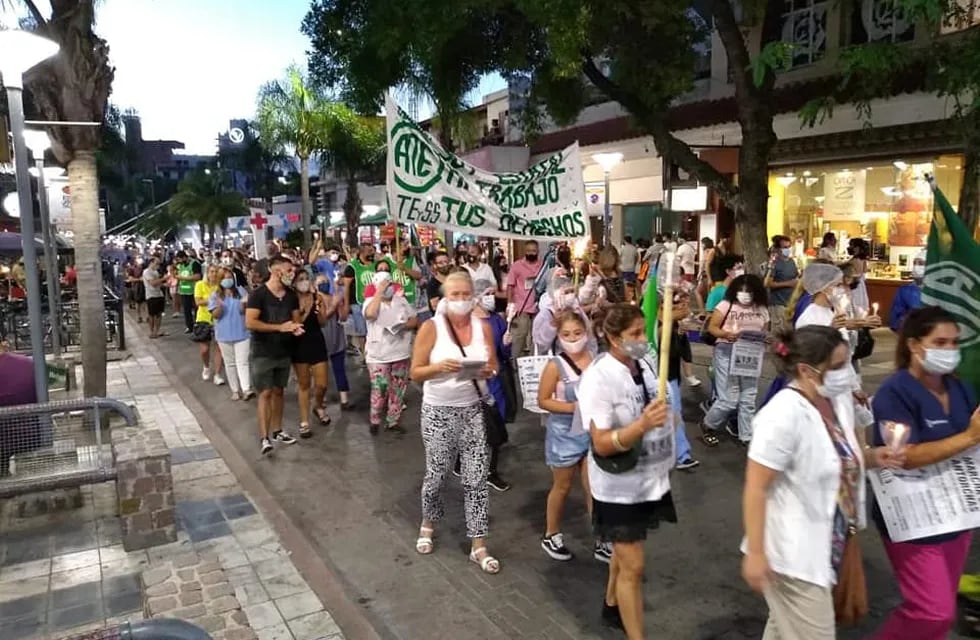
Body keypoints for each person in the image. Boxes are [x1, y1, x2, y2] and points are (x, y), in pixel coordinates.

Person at [742, 325, 904, 639]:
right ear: (806, 370)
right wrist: (757, 553)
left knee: (781, 628)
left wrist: (872, 457)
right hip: (789, 556)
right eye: (839, 366)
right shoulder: (782, 415)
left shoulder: (834, 401)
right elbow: (756, 486)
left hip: (826, 543)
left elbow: (838, 456)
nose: (848, 373)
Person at [871, 306, 980, 640]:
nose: (950, 351)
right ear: (916, 345)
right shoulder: (895, 393)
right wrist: (970, 436)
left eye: (955, 343)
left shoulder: (959, 389)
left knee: (941, 612)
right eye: (941, 342)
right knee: (932, 611)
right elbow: (905, 457)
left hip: (956, 513)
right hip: (913, 516)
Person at [577, 303, 675, 637]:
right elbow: (602, 443)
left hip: (648, 476)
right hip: (617, 485)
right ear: (613, 338)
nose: (642, 338)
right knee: (633, 565)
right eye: (634, 333)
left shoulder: (645, 364)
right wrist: (642, 425)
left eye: (643, 330)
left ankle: (610, 604)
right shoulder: (598, 378)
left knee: (626, 548)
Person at [410, 271, 500, 574]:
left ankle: (479, 543)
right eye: (454, 295)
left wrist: (488, 371)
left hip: (472, 410)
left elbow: (493, 364)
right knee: (437, 474)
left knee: (476, 478)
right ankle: (427, 523)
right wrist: (438, 367)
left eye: (465, 294)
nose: (461, 300)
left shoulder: (482, 327)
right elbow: (416, 372)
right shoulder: (431, 327)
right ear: (444, 298)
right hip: (438, 411)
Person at [537, 310, 610, 563]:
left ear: (586, 332)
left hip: (591, 433)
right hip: (563, 436)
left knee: (594, 487)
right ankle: (551, 533)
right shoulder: (553, 366)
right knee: (562, 486)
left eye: (577, 333)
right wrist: (575, 408)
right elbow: (543, 400)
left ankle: (602, 538)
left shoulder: (596, 360)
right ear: (558, 336)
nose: (572, 338)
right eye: (566, 334)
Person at [700, 275, 769, 446]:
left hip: (750, 355)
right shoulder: (725, 305)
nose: (745, 295)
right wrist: (725, 334)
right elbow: (713, 327)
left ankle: (747, 436)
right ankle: (708, 424)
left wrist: (766, 340)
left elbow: (765, 331)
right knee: (729, 398)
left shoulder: (762, 310)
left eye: (749, 292)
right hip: (726, 352)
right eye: (741, 291)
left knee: (748, 397)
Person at [245, 256, 302, 455]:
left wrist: (295, 328)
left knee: (279, 391)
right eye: (289, 271)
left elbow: (295, 319)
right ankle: (264, 437)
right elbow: (251, 322)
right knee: (265, 392)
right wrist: (279, 328)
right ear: (277, 272)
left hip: (283, 351)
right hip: (263, 351)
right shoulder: (258, 295)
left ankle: (277, 430)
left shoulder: (291, 295)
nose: (292, 274)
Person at [364, 269, 418, 435]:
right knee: (380, 387)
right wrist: (379, 292)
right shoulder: (370, 302)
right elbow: (370, 314)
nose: (387, 287)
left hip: (400, 351)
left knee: (398, 387)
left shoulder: (401, 301)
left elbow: (414, 319)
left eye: (388, 283)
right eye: (383, 284)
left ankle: (393, 420)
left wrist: (402, 325)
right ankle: (375, 418)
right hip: (378, 354)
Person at [290, 268, 336, 438]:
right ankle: (304, 421)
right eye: (300, 279)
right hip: (299, 343)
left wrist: (318, 311)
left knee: (322, 384)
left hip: (316, 341)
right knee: (304, 384)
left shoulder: (317, 298)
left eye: (306, 278)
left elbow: (323, 321)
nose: (304, 282)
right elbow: (295, 324)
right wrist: (303, 311)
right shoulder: (292, 300)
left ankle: (318, 405)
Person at [209, 267, 253, 400]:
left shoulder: (240, 291)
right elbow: (216, 315)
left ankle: (246, 389)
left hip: (242, 333)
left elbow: (245, 310)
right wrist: (220, 306)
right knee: (230, 363)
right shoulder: (215, 295)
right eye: (224, 278)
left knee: (243, 361)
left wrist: (244, 304)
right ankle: (235, 390)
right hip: (224, 334)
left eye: (229, 277)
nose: (227, 280)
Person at [505, 240, 543, 357]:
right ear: (524, 251)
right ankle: (514, 363)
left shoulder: (543, 265)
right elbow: (510, 286)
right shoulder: (517, 266)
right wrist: (510, 304)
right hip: (521, 308)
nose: (531, 253)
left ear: (538, 251)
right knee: (519, 337)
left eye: (533, 251)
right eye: (528, 251)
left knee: (535, 338)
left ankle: (533, 363)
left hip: (537, 307)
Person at [342, 243, 377, 360]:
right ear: (361, 252)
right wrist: (346, 305)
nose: (372, 253)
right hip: (357, 303)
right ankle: (366, 355)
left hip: (374, 302)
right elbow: (346, 287)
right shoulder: (352, 267)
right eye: (369, 251)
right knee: (362, 331)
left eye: (372, 251)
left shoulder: (375, 265)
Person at [194, 264, 225, 386]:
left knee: (219, 347)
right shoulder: (200, 285)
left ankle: (218, 374)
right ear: (207, 273)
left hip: (219, 319)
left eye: (216, 272)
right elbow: (198, 301)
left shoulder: (221, 287)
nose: (214, 274)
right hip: (204, 318)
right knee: (204, 349)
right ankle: (206, 366)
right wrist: (213, 300)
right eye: (212, 272)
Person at [764, 235, 799, 336]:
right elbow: (767, 283)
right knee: (778, 335)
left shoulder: (792, 262)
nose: (788, 249)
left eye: (789, 247)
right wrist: (788, 283)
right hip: (777, 304)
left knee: (789, 334)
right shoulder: (774, 263)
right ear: (778, 249)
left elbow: (795, 277)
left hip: (790, 303)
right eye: (785, 247)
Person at [889, 251, 926, 332]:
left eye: (921, 263)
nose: (916, 266)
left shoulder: (937, 292)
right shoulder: (905, 290)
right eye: (914, 263)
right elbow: (895, 319)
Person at [175, 251, 202, 334]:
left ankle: (199, 326)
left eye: (180, 259)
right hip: (183, 291)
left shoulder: (194, 264)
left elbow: (197, 276)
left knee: (197, 309)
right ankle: (189, 326)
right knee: (187, 310)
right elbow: (176, 275)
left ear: (184, 257)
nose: (179, 261)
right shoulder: (179, 265)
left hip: (194, 291)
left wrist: (183, 278)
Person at [142, 256, 168, 339]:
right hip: (151, 295)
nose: (158, 265)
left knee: (159, 314)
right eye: (156, 263)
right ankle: (152, 331)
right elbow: (153, 283)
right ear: (151, 263)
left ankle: (157, 331)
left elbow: (157, 283)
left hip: (159, 294)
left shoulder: (155, 272)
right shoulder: (146, 272)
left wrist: (163, 284)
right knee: (152, 315)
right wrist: (164, 279)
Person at [620, 236, 639, 301]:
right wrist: (634, 263)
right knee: (631, 284)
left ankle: (625, 297)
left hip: (623, 268)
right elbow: (637, 258)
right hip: (631, 268)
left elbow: (619, 257)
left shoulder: (623, 248)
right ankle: (633, 297)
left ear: (625, 241)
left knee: (624, 283)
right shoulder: (634, 248)